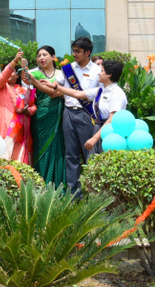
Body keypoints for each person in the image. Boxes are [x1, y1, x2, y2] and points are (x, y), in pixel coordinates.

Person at [44, 58, 126, 153]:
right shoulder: (100, 90)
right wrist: (55, 86)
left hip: (110, 131)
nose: (99, 73)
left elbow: (112, 119)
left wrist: (94, 138)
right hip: (99, 128)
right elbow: (77, 94)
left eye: (102, 71)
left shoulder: (117, 93)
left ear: (109, 75)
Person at [60, 36, 101, 197]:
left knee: (90, 155)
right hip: (68, 112)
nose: (74, 54)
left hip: (86, 115)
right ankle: (74, 194)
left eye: (78, 51)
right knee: (71, 154)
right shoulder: (68, 69)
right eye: (73, 51)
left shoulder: (97, 71)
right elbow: (59, 89)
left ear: (88, 52)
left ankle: (94, 193)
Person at [21, 45, 66, 187]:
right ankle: (40, 185)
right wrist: (25, 70)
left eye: (45, 54)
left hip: (58, 117)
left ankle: (58, 186)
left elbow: (57, 93)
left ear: (53, 57)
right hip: (40, 118)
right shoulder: (33, 73)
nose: (41, 58)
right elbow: (53, 92)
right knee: (41, 149)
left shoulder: (61, 74)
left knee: (58, 150)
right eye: (39, 55)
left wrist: (37, 83)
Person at [0, 50, 36, 165]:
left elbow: (33, 106)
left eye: (13, 72)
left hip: (20, 131)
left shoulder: (23, 90)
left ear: (17, 75)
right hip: (4, 128)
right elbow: (3, 76)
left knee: (19, 161)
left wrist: (28, 111)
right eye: (7, 71)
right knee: (2, 159)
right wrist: (15, 61)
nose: (9, 73)